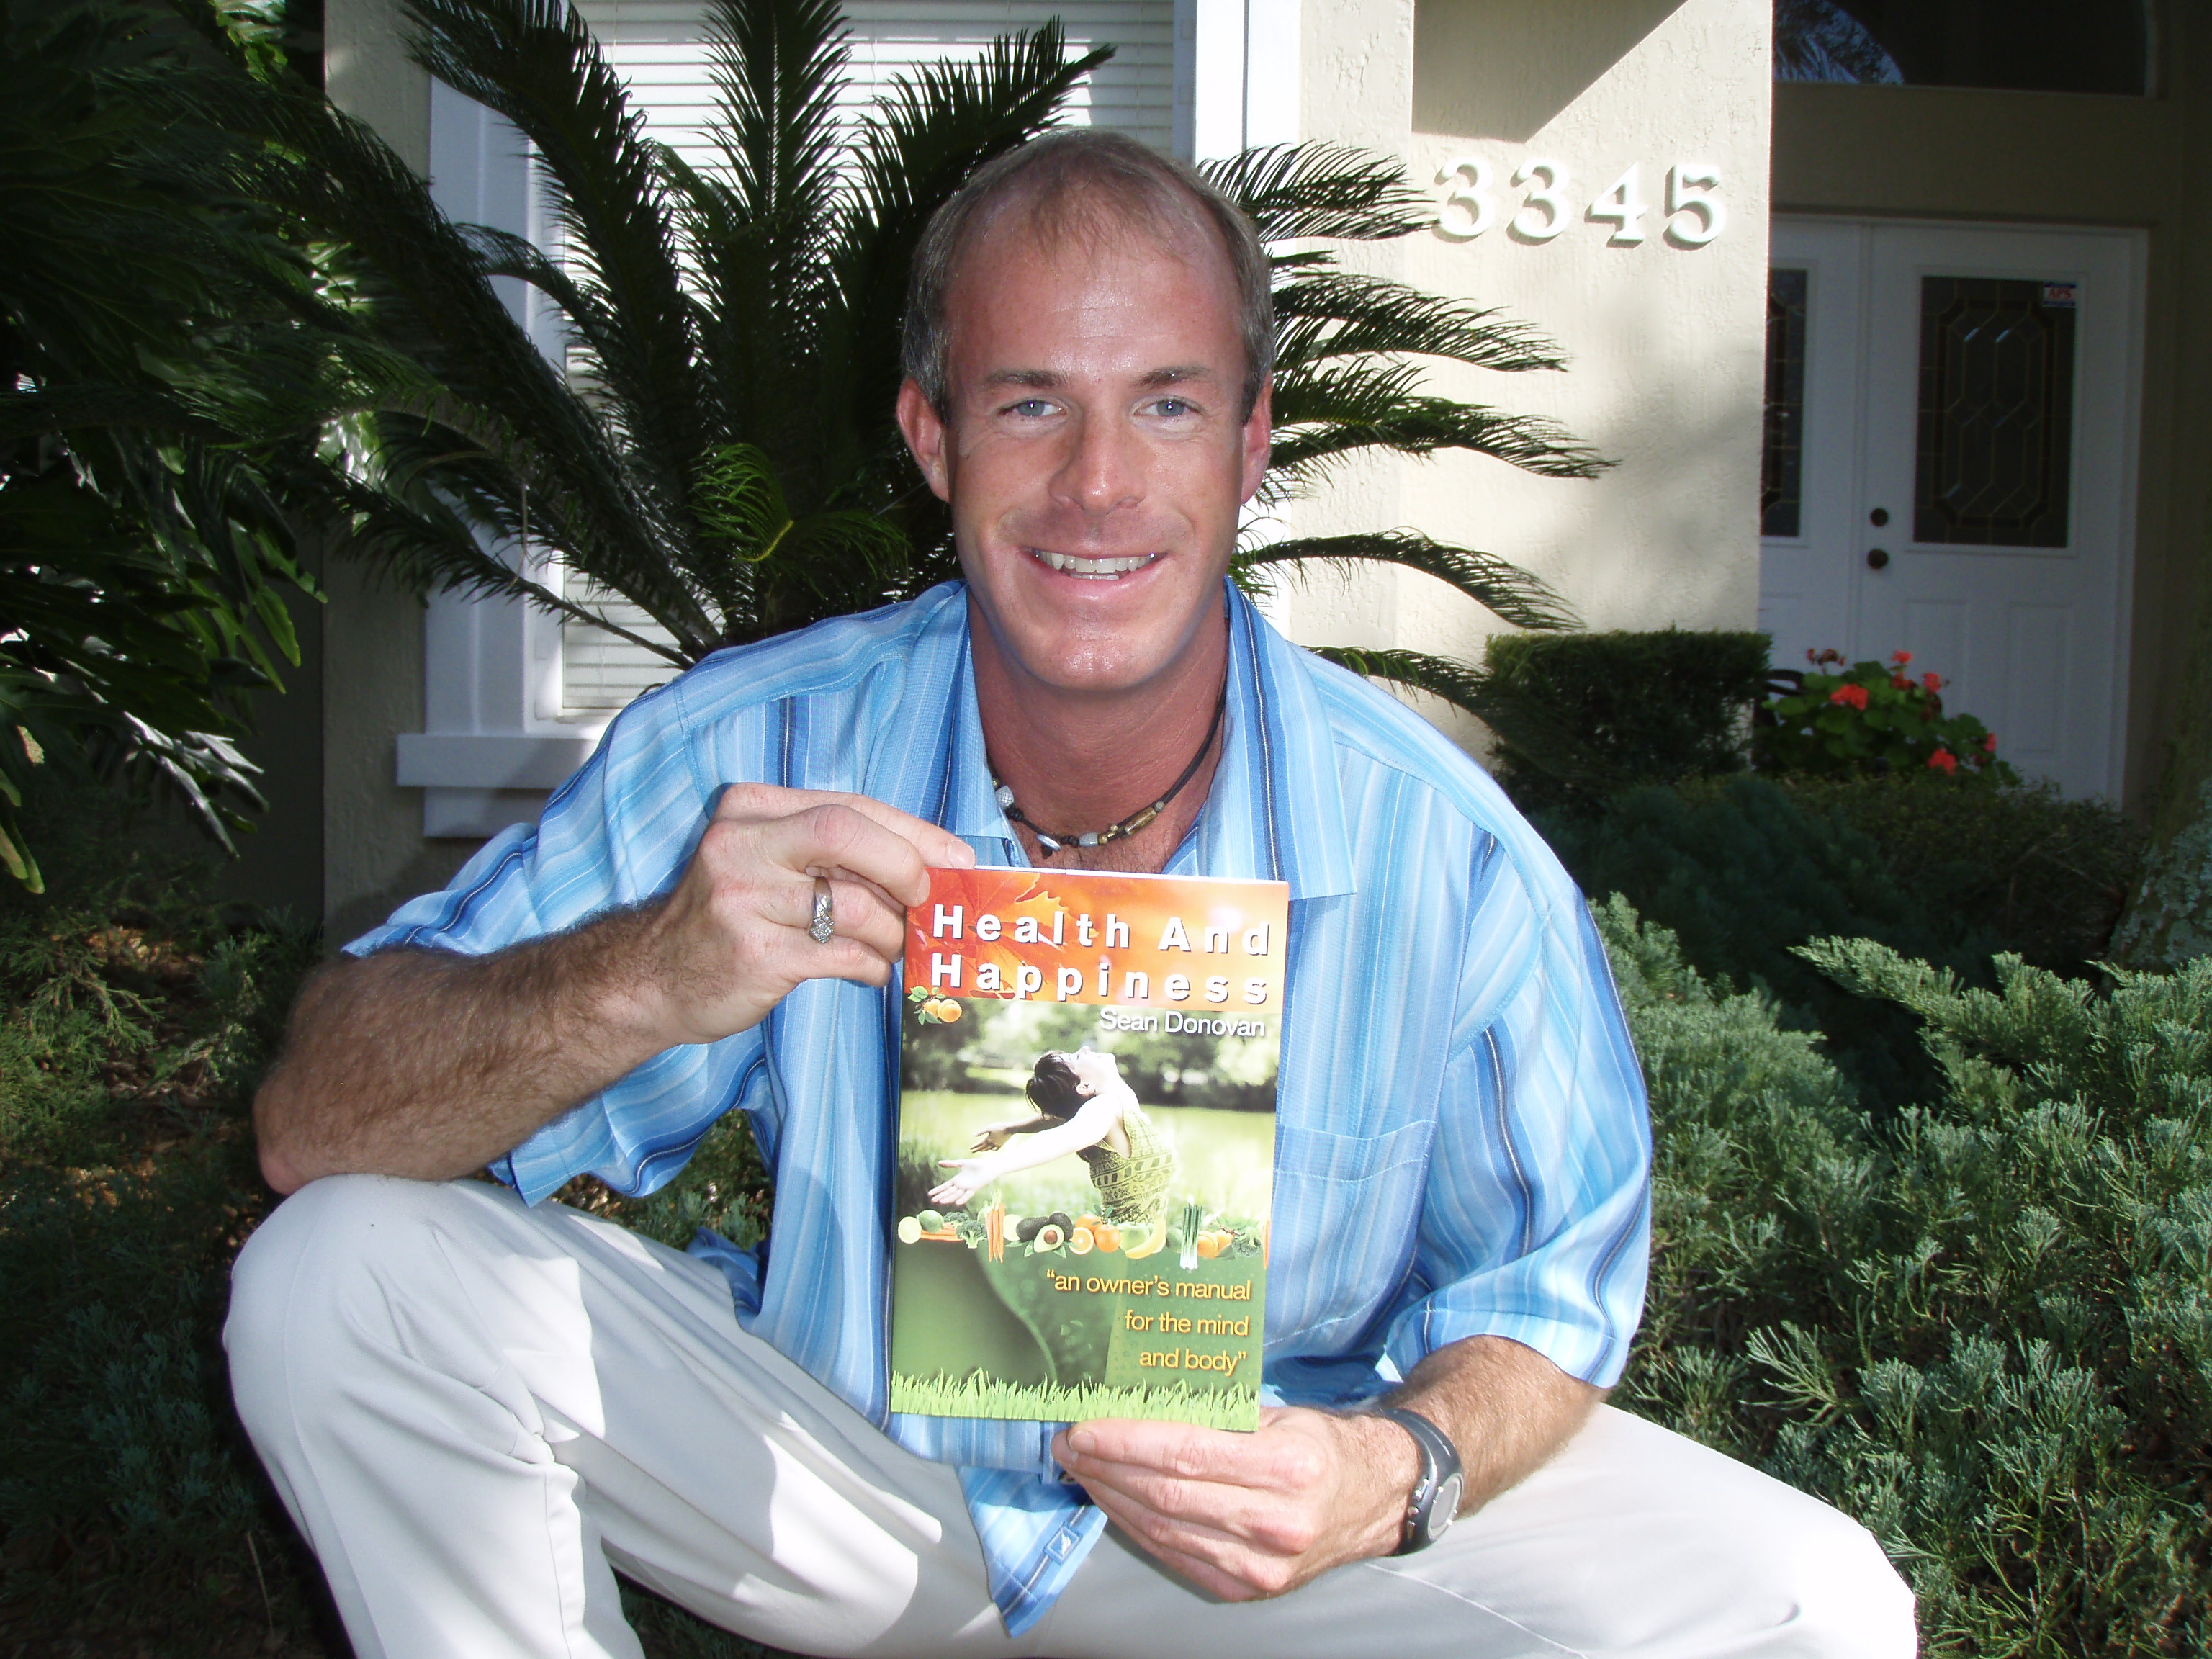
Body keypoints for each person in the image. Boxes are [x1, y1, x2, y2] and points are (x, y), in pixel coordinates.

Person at [225, 129, 1916, 1658]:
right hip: (846, 1479)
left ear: (1251, 442)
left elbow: (1546, 1294)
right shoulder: (757, 752)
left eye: (1165, 401)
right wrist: (638, 976)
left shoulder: (1444, 860)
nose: (1097, 484)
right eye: (1029, 400)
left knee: (1803, 1605)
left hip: (1247, 1530)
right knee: (336, 1280)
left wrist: (1381, 1471)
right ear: (930, 436)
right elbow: (318, 1121)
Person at [930, 1049, 1176, 1224]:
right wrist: (993, 1167)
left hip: (1140, 1242)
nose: (1086, 1049)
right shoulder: (1104, 1108)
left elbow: (1062, 1119)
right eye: (1077, 1058)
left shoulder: (1118, 1102)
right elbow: (1066, 1135)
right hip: (1124, 1249)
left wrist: (1010, 1129)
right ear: (1085, 1087)